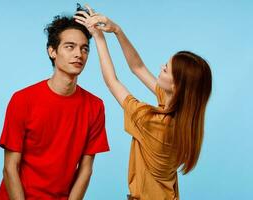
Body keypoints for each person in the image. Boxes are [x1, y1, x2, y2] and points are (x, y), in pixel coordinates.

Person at [74, 5, 212, 200]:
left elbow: (112, 82)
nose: (161, 66)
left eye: (166, 69)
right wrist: (116, 30)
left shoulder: (154, 122)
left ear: (177, 86)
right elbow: (137, 67)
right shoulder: (182, 117)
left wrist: (98, 37)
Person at [0, 14, 110, 200]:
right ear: (52, 51)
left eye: (84, 49)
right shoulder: (22, 100)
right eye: (69, 46)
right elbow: (10, 168)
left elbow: (86, 169)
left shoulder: (95, 106)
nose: (78, 54)